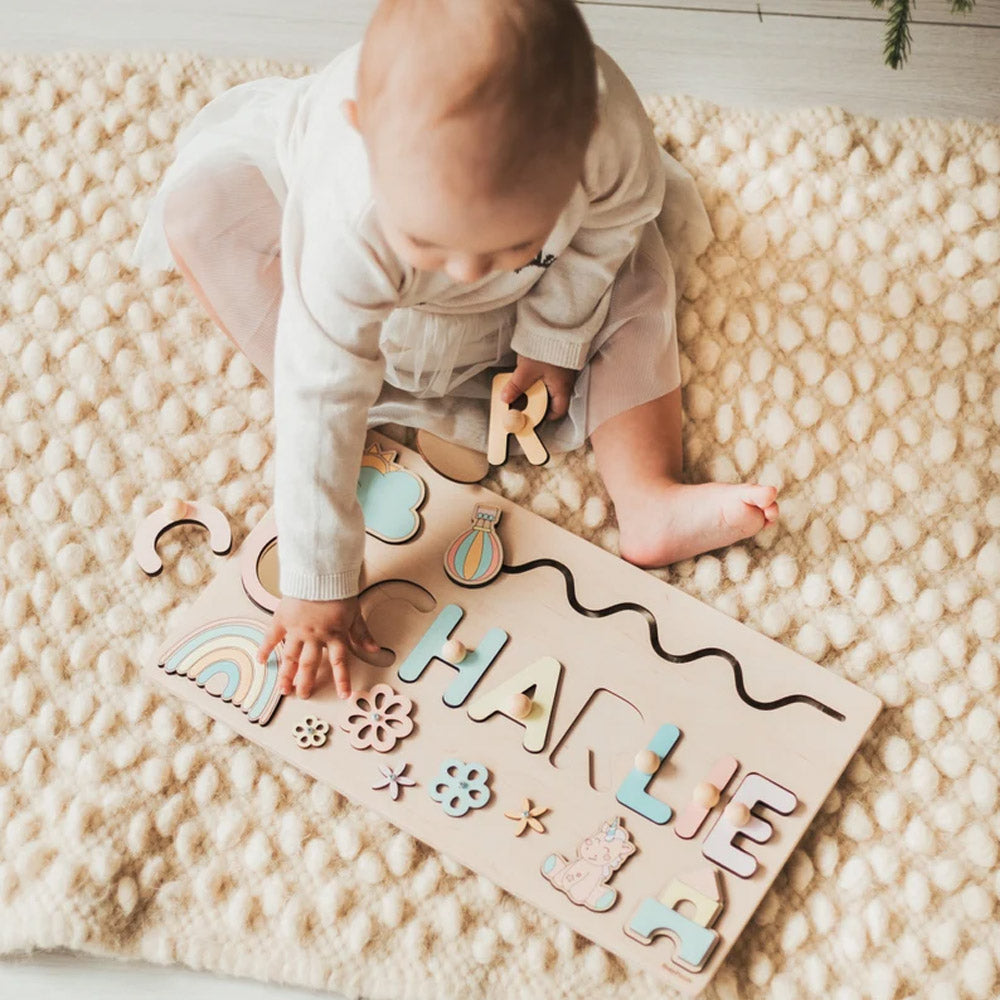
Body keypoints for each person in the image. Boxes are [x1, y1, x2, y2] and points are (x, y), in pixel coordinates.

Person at [132, 0, 779, 704]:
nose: (469, 272)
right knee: (202, 216)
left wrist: (553, 337)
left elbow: (612, 226)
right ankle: (386, 401)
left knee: (639, 270)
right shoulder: (346, 210)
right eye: (433, 243)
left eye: (507, 242)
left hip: (540, 291)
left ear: (575, 152)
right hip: (374, 304)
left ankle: (649, 493)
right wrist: (319, 582)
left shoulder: (607, 134)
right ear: (365, 135)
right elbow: (316, 390)